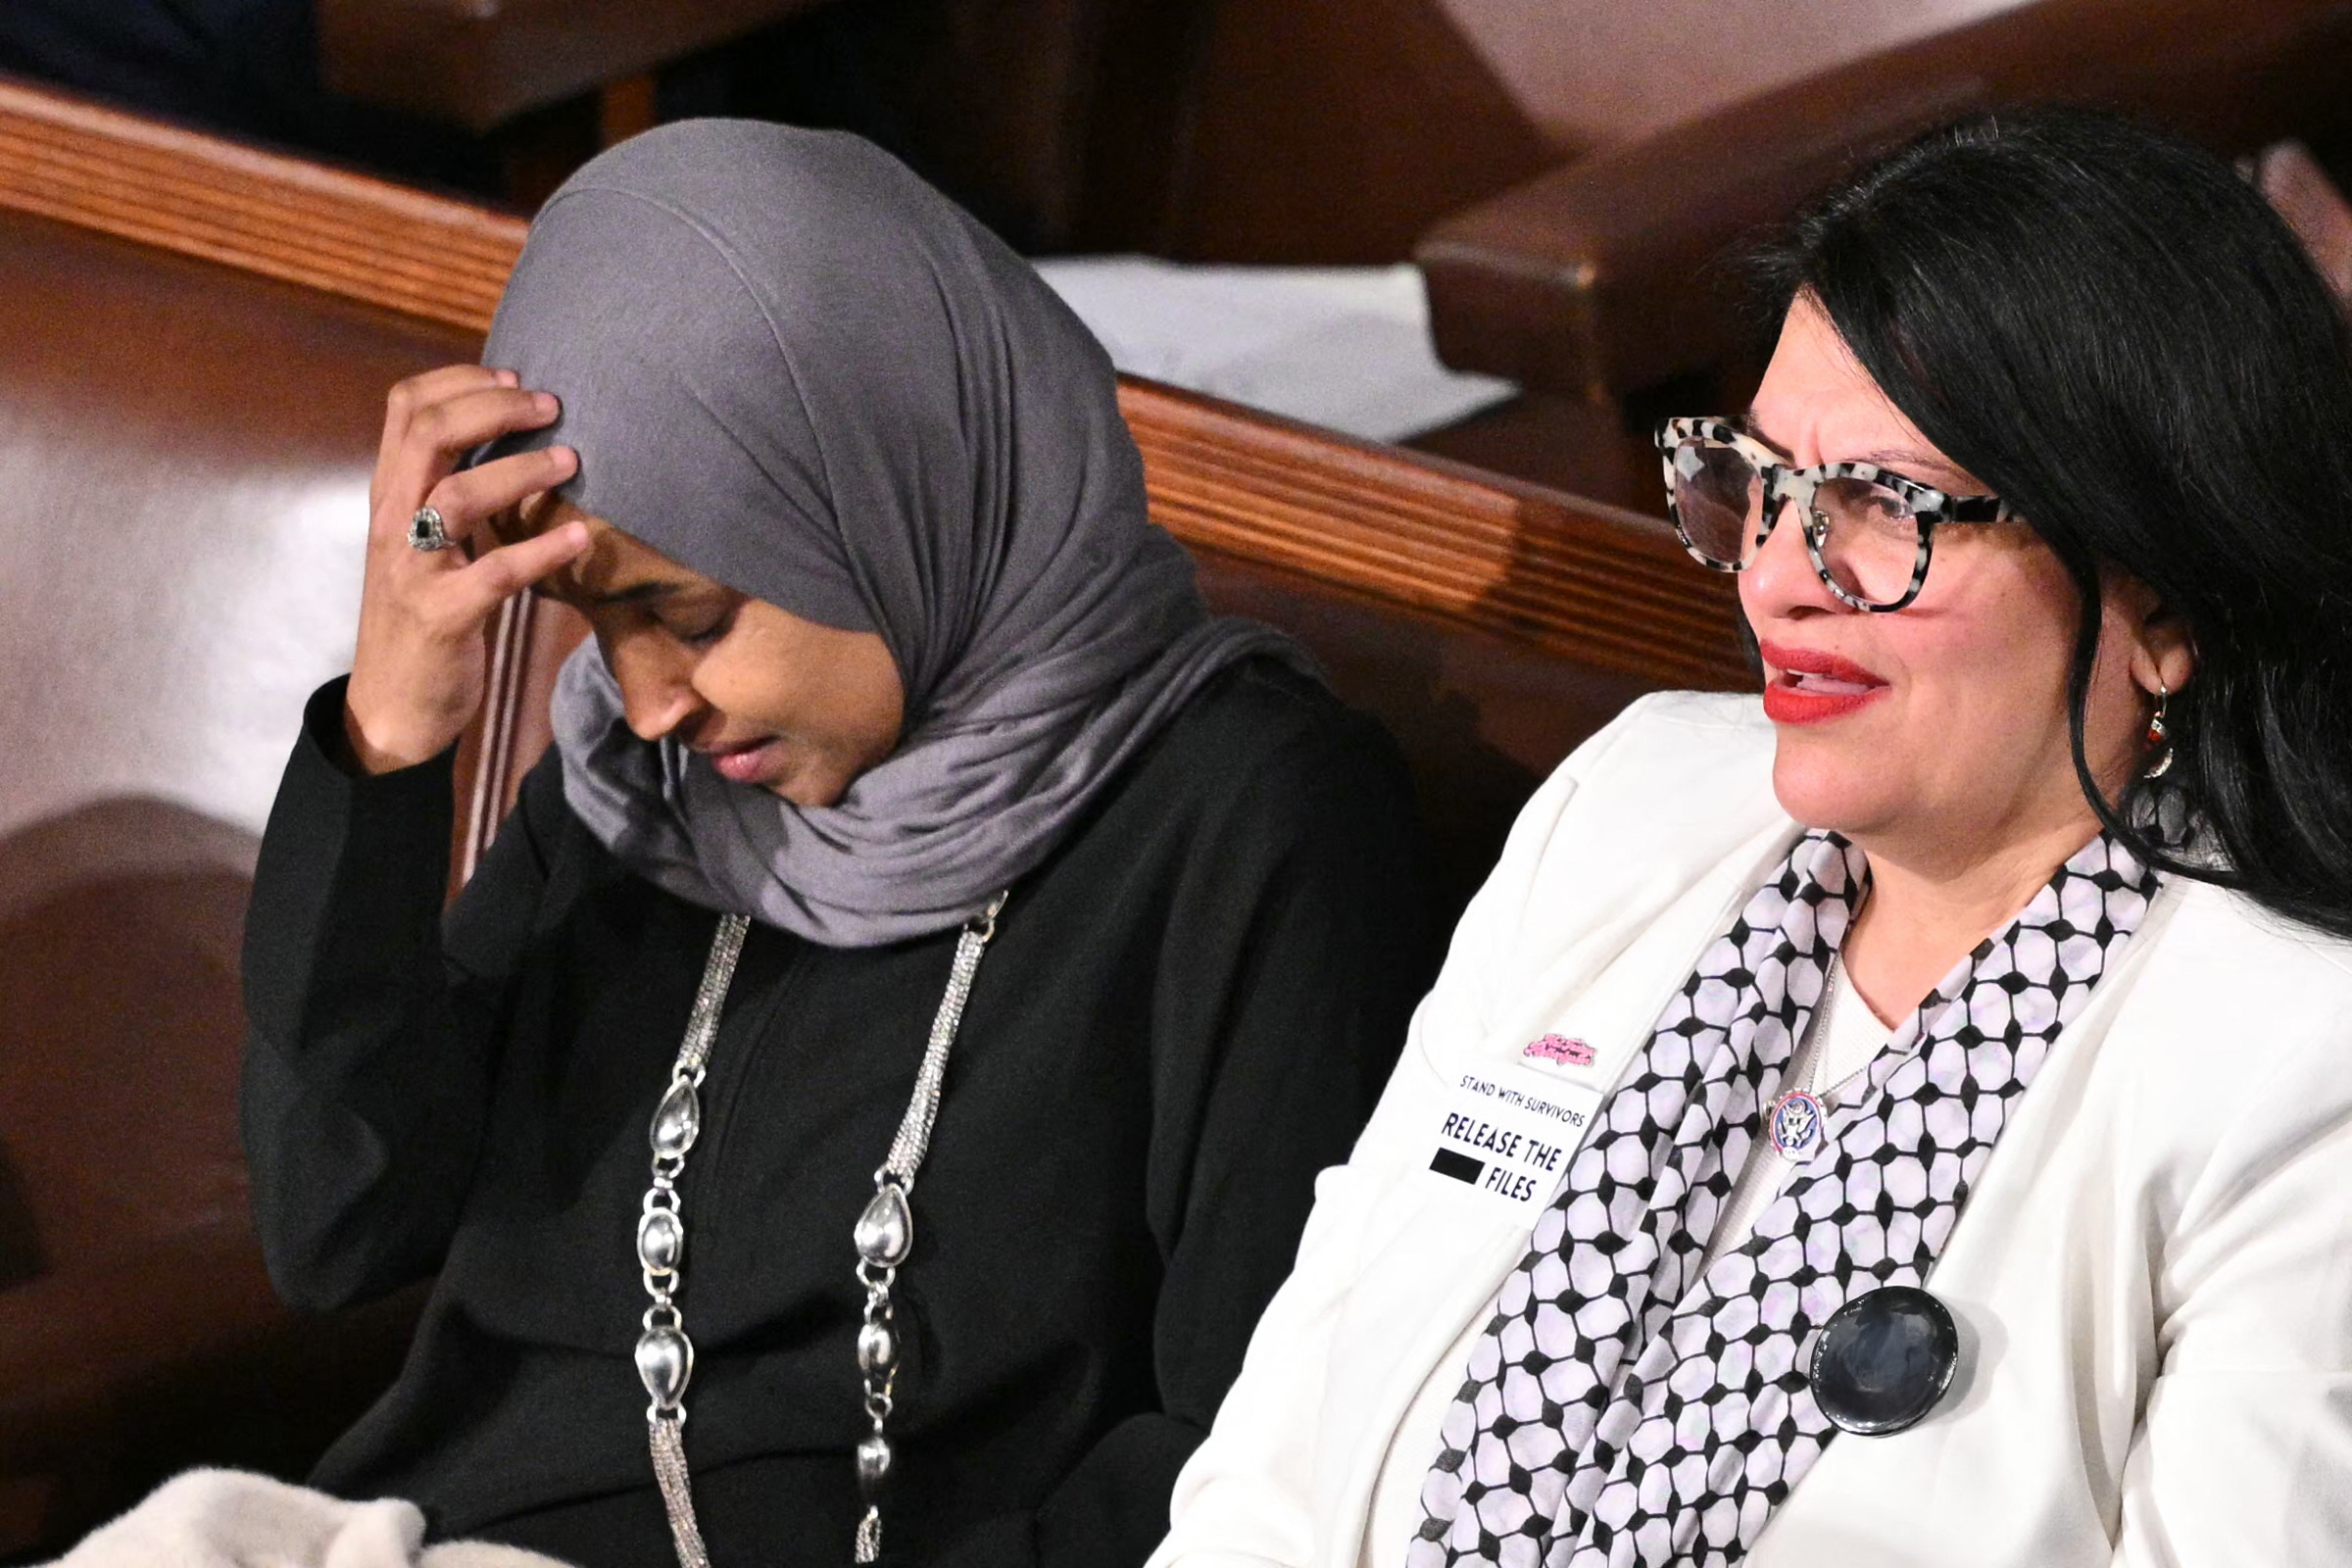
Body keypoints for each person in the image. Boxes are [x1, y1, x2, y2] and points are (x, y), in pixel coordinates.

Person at [1150, 108, 2352, 1568]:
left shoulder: (2298, 1067)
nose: (1778, 575)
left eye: (1883, 508)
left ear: (2165, 605)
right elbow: (1276, 1459)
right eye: (1760, 483)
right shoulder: (1632, 803)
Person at [238, 121, 1439, 1567]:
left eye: (683, 615)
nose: (647, 697)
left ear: (877, 496)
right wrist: (386, 747)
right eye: (596, 627)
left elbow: (1244, 1457)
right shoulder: (641, 792)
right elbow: (338, 1227)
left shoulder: (1248, 825)